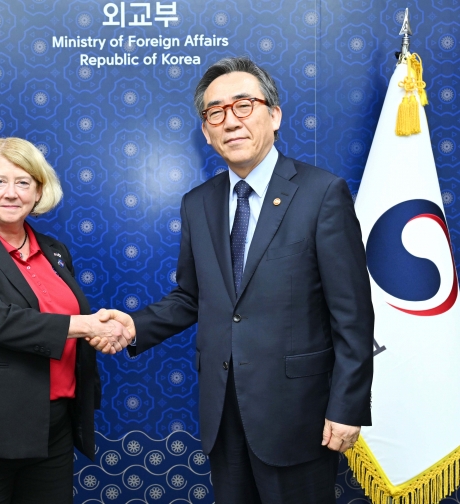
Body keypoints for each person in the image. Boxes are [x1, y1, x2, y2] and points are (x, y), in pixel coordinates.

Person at [98, 57, 374, 503]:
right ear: (206, 131)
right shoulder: (197, 203)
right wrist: (133, 326)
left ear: (275, 115)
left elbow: (353, 315)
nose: (231, 121)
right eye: (216, 112)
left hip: (300, 416)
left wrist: (347, 407)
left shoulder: (323, 193)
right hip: (223, 414)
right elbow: (191, 297)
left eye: (244, 105)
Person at [0, 137, 131, 504]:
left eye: (23, 182)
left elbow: (64, 319)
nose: (11, 193)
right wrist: (87, 326)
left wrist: (103, 331)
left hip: (51, 430)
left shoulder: (54, 250)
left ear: (39, 191)